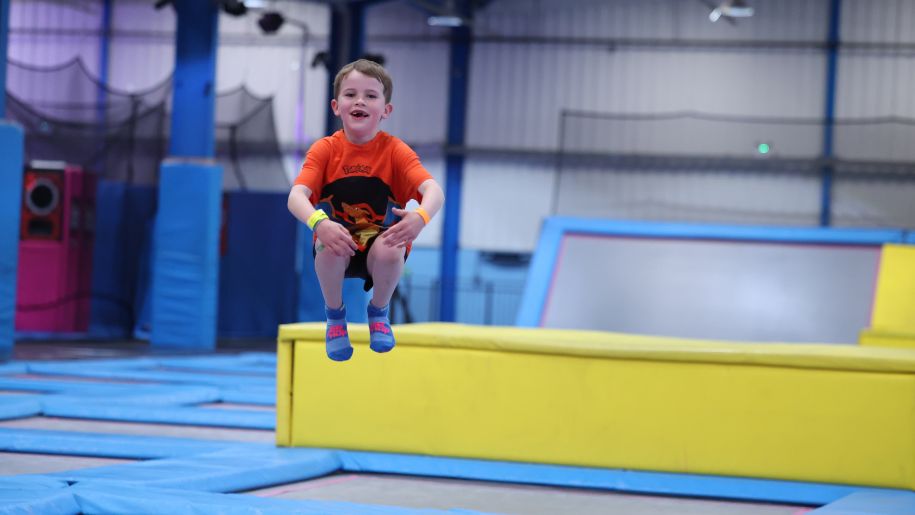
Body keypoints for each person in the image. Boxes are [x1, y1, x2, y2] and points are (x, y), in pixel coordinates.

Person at [287, 59, 445, 362]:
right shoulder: (325, 150)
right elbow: (296, 196)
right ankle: (335, 317)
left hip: (379, 244)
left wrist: (420, 218)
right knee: (328, 244)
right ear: (336, 106)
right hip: (338, 241)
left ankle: (379, 310)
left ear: (386, 110)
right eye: (350, 94)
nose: (360, 101)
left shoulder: (395, 151)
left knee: (390, 247)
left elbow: (434, 191)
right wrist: (319, 223)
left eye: (371, 96)